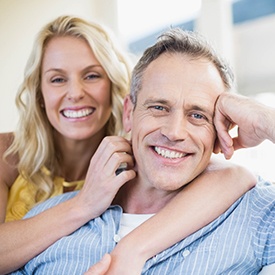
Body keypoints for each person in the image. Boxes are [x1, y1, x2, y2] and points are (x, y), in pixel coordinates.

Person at [0, 16, 254, 274]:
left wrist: (133, 248)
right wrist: (84, 205)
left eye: (91, 76)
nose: (75, 92)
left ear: (113, 84)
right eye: (57, 79)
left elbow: (232, 176)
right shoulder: (7, 153)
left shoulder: (148, 155)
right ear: (39, 92)